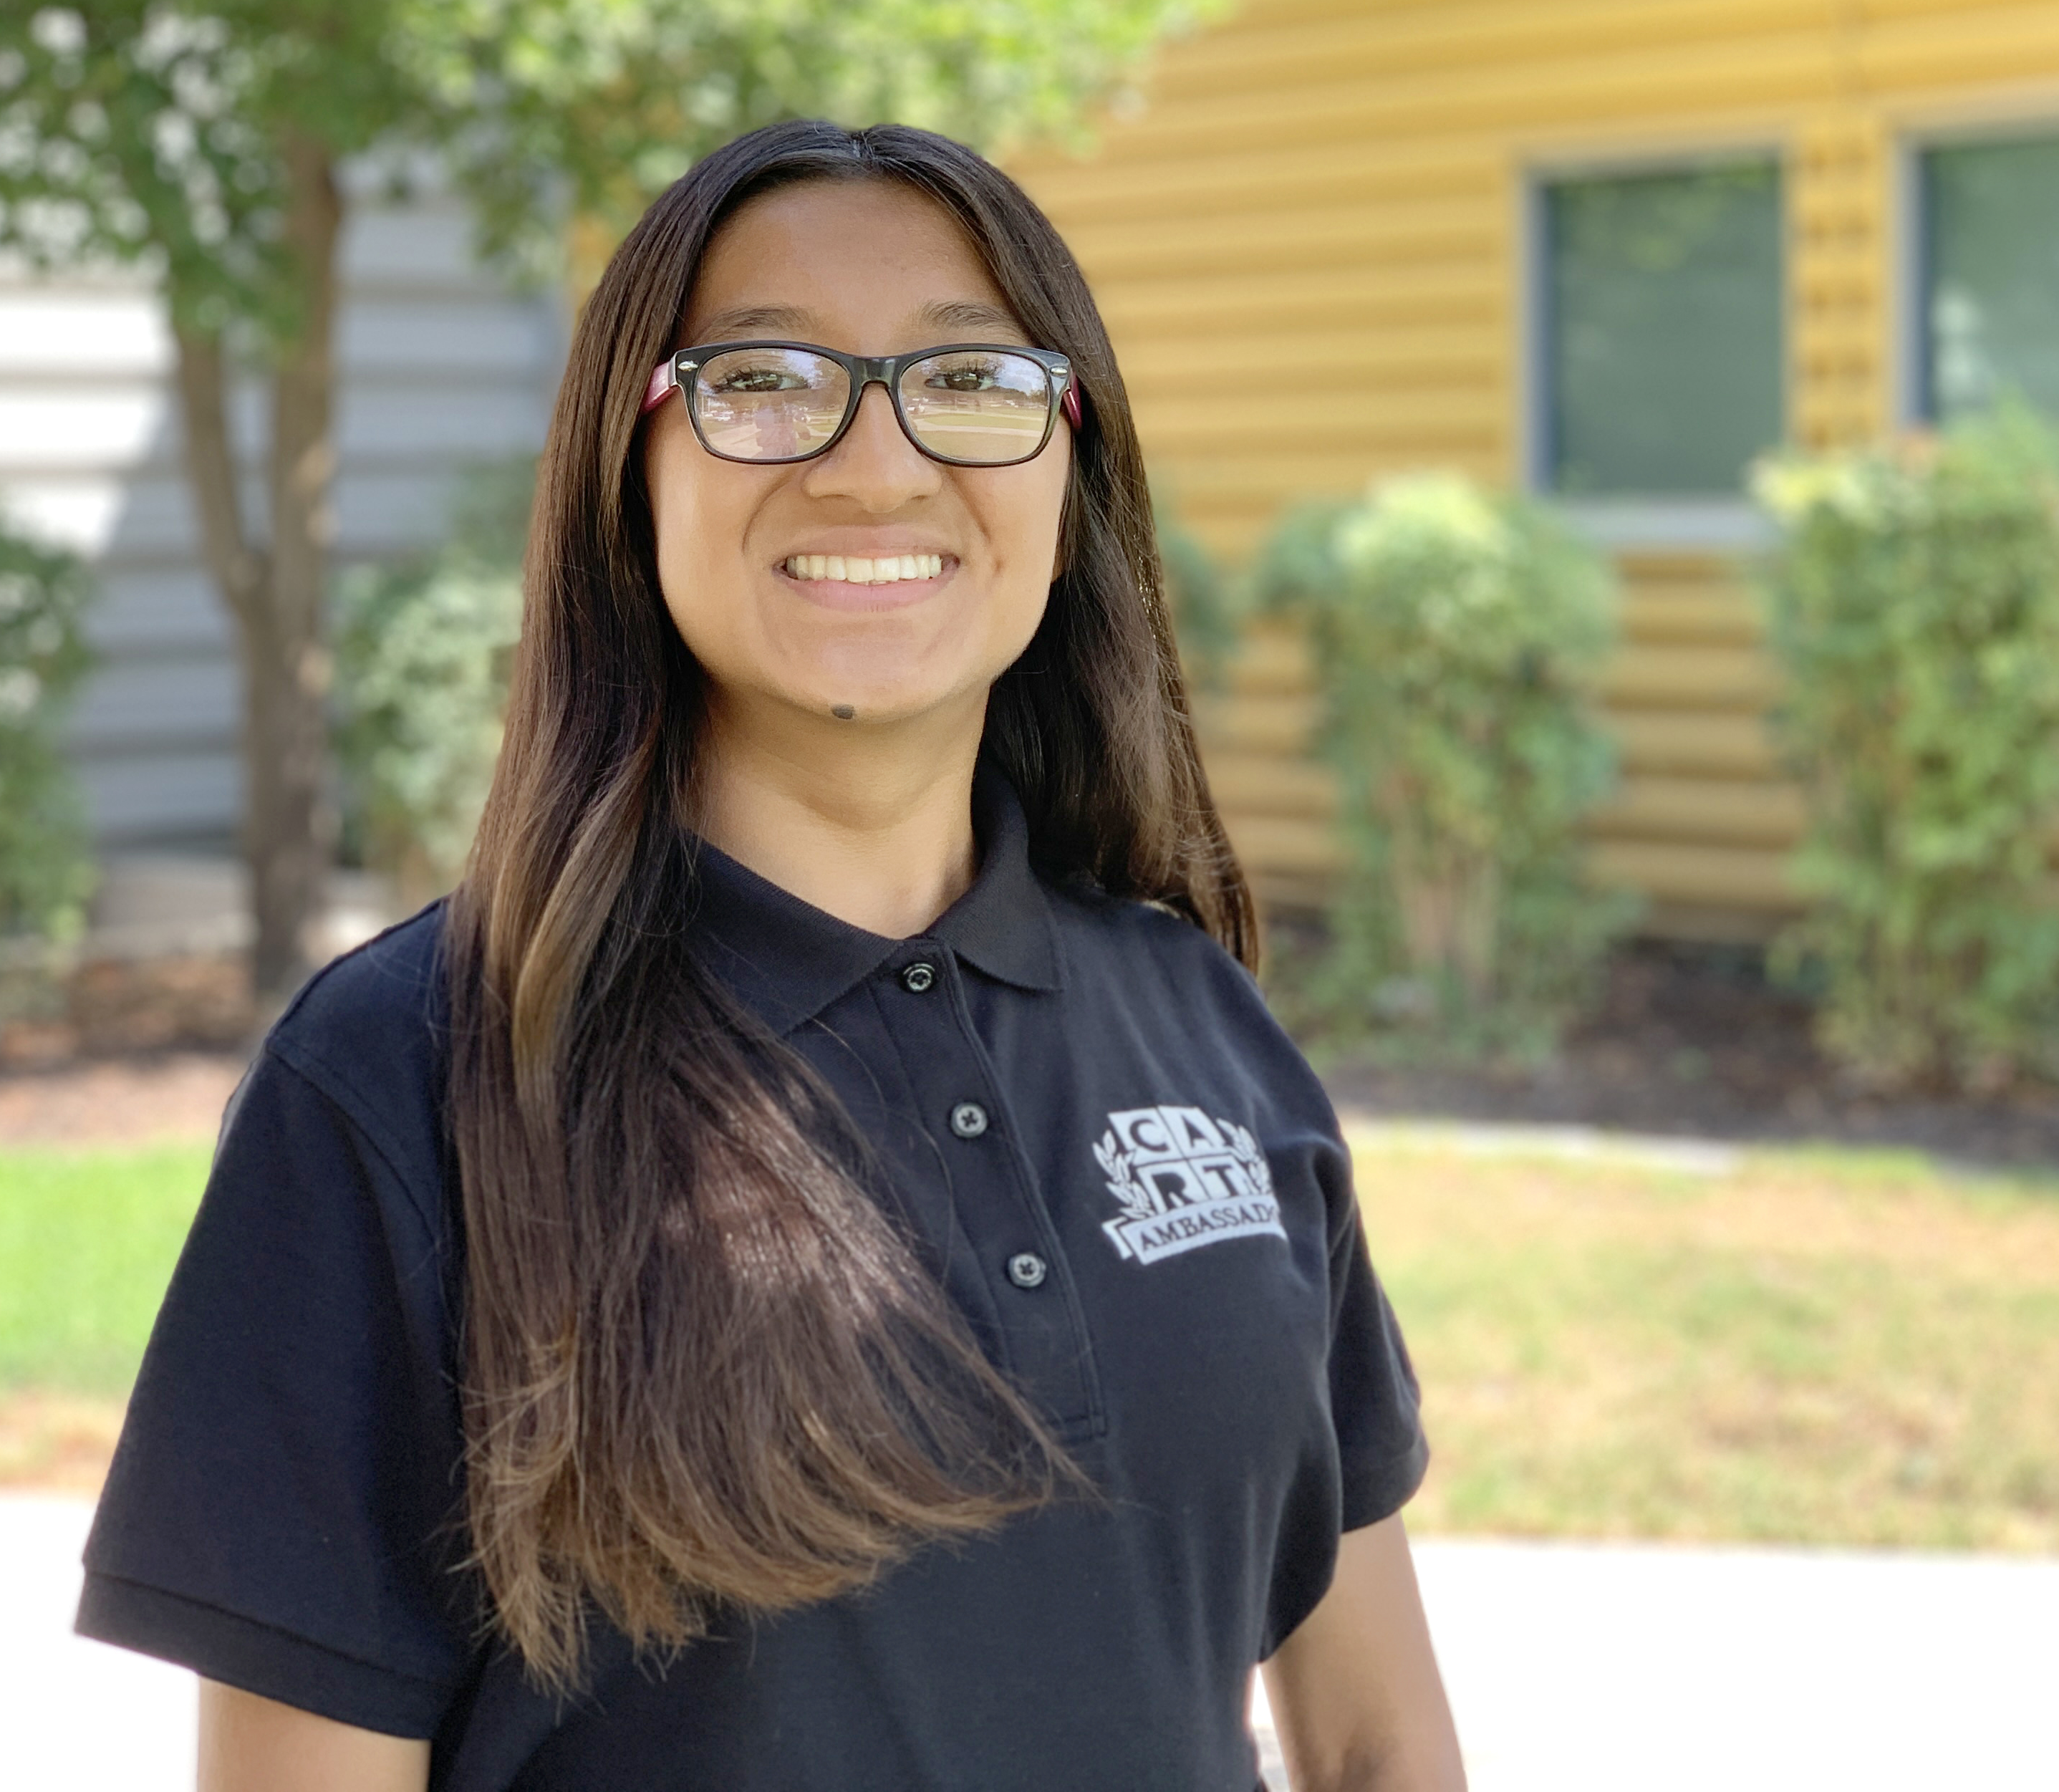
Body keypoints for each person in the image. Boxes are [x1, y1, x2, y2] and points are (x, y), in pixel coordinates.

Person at [77, 119, 1466, 1792]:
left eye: (970, 380)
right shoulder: (405, 1076)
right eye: (762, 381)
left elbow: (1378, 1738)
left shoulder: (1201, 1023)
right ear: (631, 472)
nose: (874, 467)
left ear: (1068, 468)